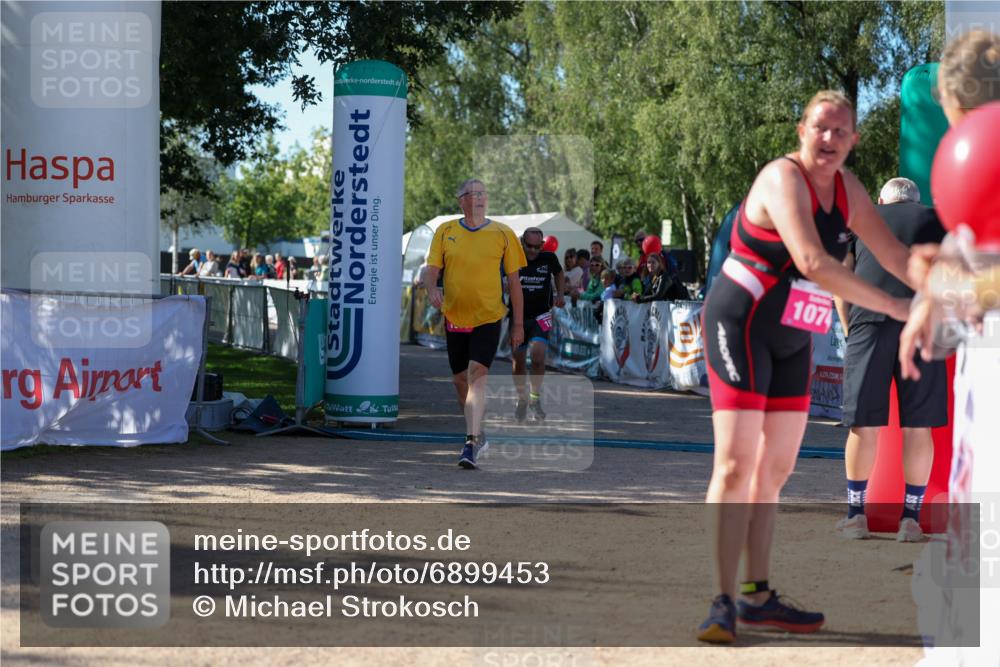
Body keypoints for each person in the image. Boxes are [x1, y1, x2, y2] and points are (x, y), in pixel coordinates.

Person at [696, 90, 913, 644]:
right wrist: (894, 305)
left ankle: (758, 596)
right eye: (821, 127)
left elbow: (897, 258)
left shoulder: (851, 190)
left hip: (796, 331)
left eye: (841, 132)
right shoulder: (781, 178)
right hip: (739, 321)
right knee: (736, 465)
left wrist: (954, 287)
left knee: (775, 471)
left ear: (853, 141)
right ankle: (721, 602)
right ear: (801, 130)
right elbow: (814, 260)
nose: (830, 139)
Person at [897, 31, 1000, 664]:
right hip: (979, 406)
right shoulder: (972, 169)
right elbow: (964, 255)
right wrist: (928, 303)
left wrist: (942, 281)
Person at [833, 177, 947, 543]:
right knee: (918, 426)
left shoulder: (864, 219)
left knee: (863, 424)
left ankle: (855, 517)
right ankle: (910, 521)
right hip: (922, 323)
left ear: (882, 199)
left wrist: (851, 329)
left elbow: (840, 278)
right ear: (917, 201)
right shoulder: (937, 219)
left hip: (870, 320)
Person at [423, 179, 526, 469]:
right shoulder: (446, 231)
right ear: (461, 201)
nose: (479, 198)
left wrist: (518, 325)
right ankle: (478, 430)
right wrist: (432, 288)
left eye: (483, 194)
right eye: (473, 194)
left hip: (489, 316)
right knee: (459, 380)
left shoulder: (503, 233)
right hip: (454, 316)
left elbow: (514, 283)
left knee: (476, 375)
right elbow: (432, 270)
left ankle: (470, 443)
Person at [512, 227, 565, 423]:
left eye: (537, 246)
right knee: (518, 362)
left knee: (537, 356)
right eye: (529, 246)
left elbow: (559, 274)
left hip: (542, 315)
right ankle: (522, 398)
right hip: (518, 316)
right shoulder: (513, 258)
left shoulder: (549, 258)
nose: (534, 251)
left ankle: (535, 399)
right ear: (522, 243)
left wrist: (560, 294)